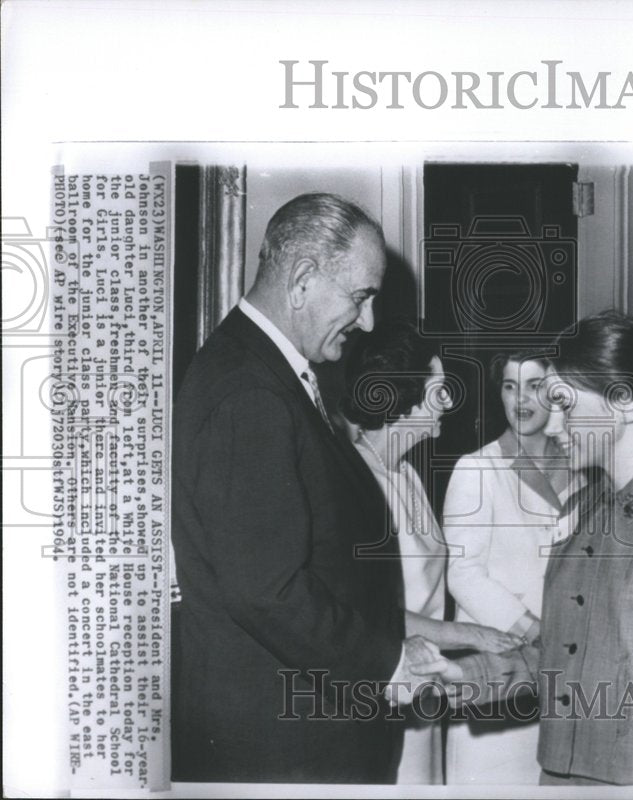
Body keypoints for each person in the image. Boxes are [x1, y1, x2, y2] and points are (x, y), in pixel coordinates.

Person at [171, 193, 447, 783]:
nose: (368, 321)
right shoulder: (251, 391)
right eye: (361, 297)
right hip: (281, 748)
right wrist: (387, 662)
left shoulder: (264, 371)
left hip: (301, 729)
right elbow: (264, 589)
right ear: (302, 281)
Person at [423, 312, 633, 786]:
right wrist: (469, 677)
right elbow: (565, 659)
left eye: (564, 402)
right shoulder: (586, 511)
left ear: (625, 402)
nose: (551, 421)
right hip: (563, 778)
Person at [340, 319, 521, 784]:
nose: (448, 403)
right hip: (385, 688)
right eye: (438, 390)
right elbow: (364, 611)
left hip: (425, 688)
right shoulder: (354, 478)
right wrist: (470, 635)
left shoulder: (407, 475)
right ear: (402, 394)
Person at [442, 350, 575, 785]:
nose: (521, 399)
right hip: (498, 677)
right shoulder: (476, 469)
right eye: (510, 385)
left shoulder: (583, 468)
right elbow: (463, 575)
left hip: (562, 681)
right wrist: (537, 631)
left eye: (534, 385)